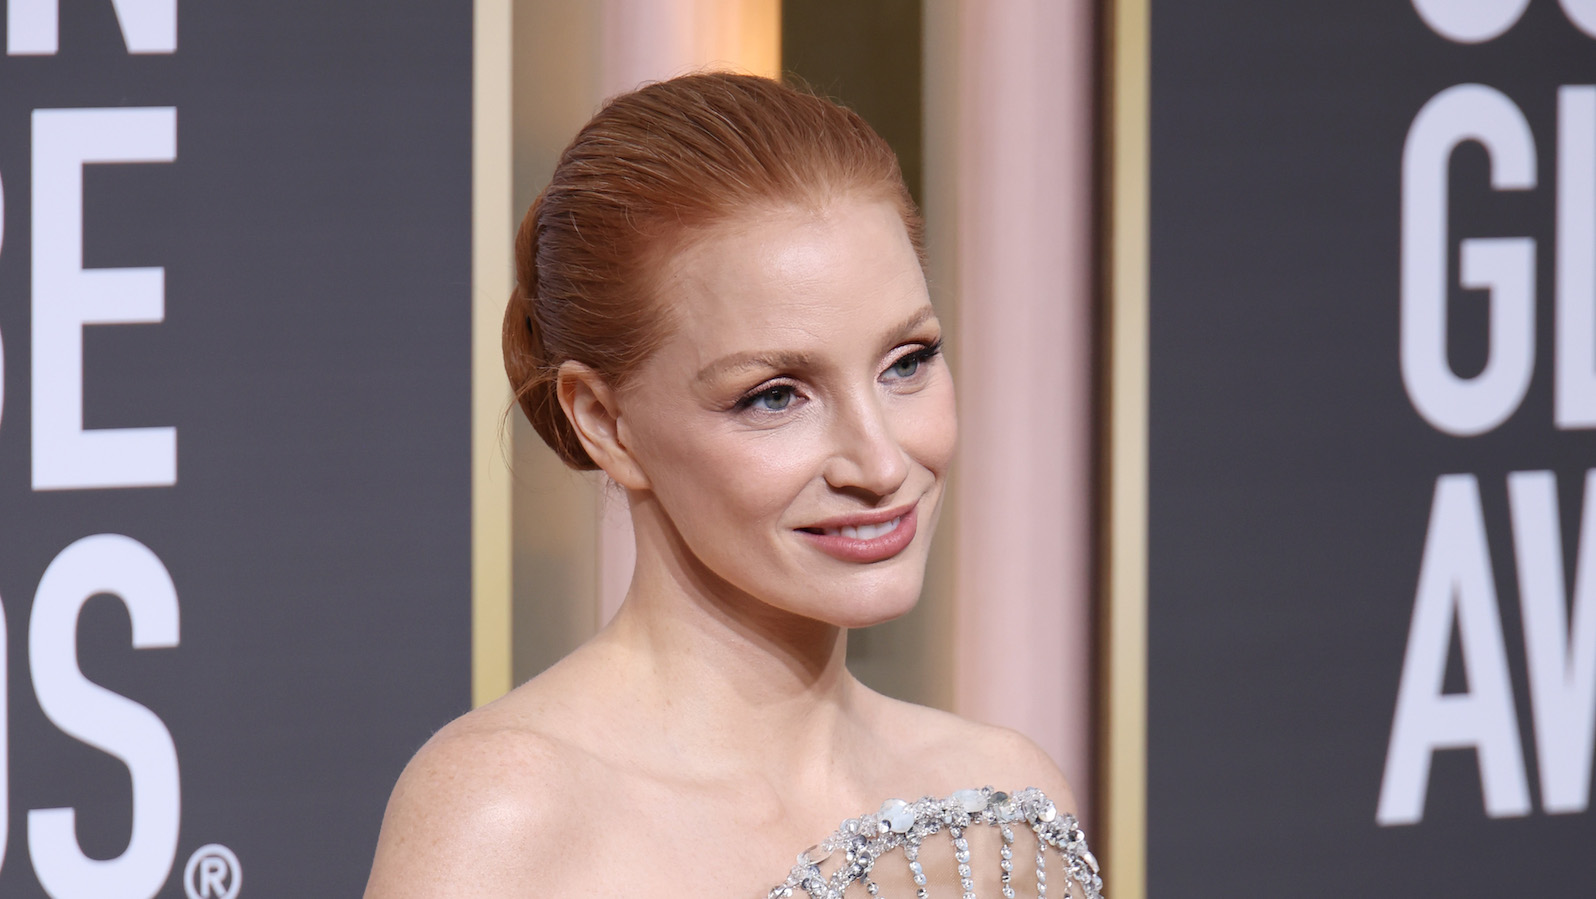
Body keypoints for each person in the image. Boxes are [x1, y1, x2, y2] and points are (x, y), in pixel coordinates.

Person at [363, 72, 1100, 898]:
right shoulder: (511, 812)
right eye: (775, 395)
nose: (882, 462)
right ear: (605, 421)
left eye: (908, 362)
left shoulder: (1003, 801)